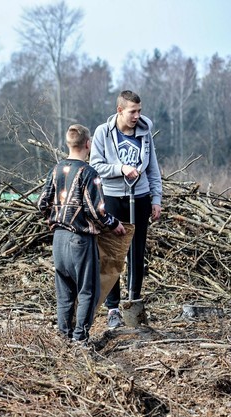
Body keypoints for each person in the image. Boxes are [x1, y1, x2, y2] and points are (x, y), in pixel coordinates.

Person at [38, 124, 126, 343]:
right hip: (80, 240)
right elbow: (96, 210)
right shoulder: (89, 173)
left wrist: (58, 216)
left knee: (65, 293)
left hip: (58, 239)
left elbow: (41, 203)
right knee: (88, 291)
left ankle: (63, 338)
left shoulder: (56, 170)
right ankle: (80, 339)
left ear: (68, 144)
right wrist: (113, 223)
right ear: (88, 144)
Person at [90, 90, 163, 329]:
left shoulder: (144, 133)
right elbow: (96, 165)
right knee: (112, 253)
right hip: (112, 197)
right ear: (120, 110)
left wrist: (156, 198)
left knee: (136, 252)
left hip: (140, 197)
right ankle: (113, 309)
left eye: (140, 111)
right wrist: (121, 168)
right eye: (133, 111)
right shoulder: (103, 132)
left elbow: (152, 168)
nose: (137, 116)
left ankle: (133, 302)